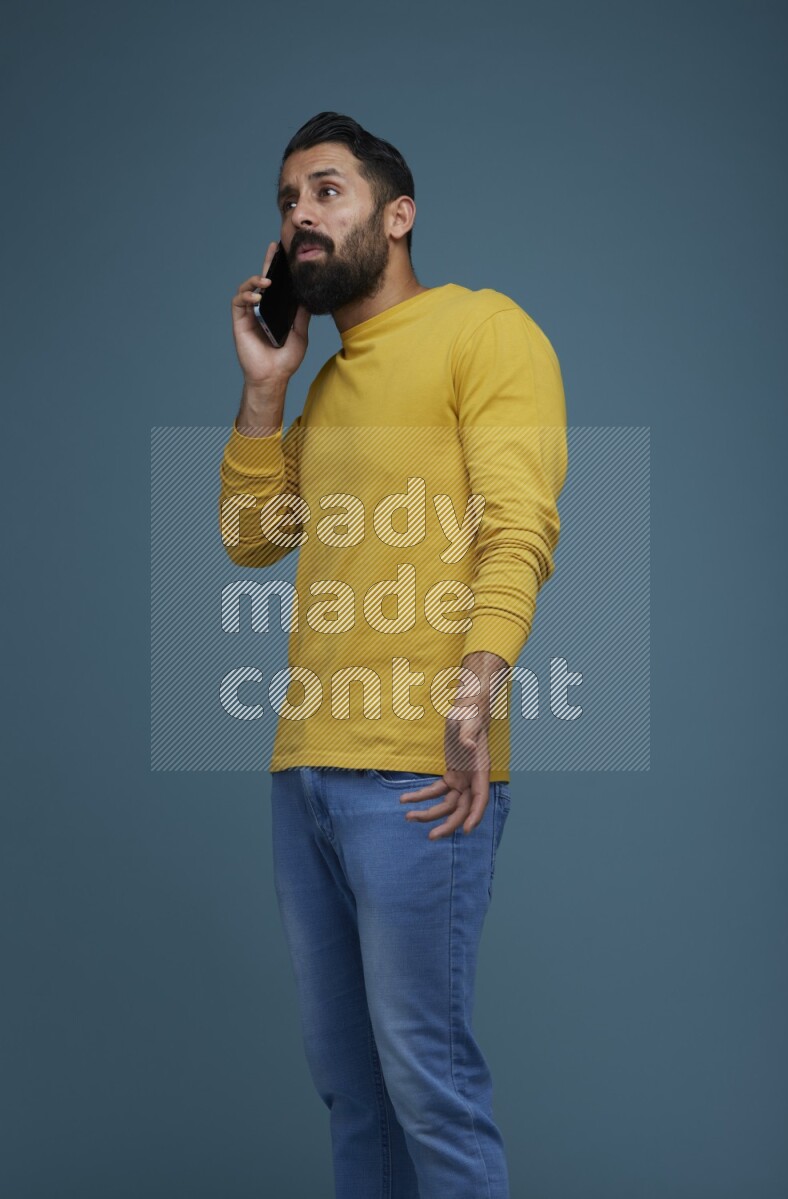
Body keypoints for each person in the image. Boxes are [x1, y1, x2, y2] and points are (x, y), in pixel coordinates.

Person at [218, 111, 568, 1198]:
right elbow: (252, 537)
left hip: (419, 772)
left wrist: (475, 698)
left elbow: (519, 523)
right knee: (353, 1091)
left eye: (327, 190)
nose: (302, 215)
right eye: (289, 201)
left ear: (398, 213)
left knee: (428, 1084)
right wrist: (267, 387)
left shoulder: (482, 329)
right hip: (305, 773)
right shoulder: (325, 387)